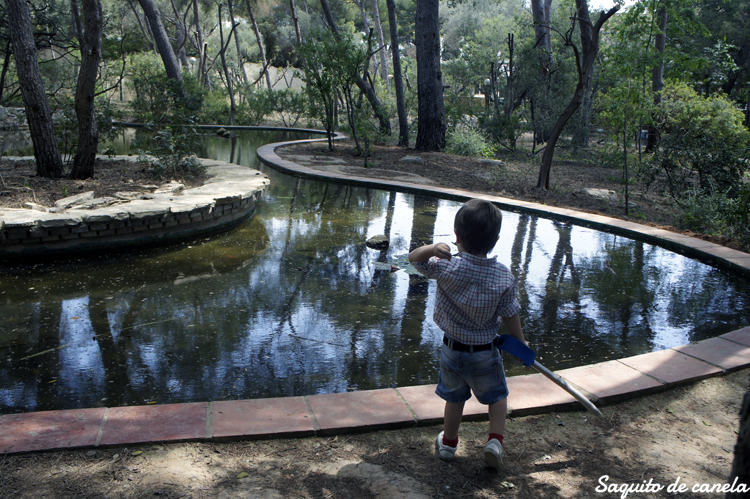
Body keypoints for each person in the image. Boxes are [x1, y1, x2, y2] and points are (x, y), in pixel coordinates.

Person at [408, 198, 527, 470]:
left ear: (457, 235)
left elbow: (414, 258)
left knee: (454, 398)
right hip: (485, 352)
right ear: (496, 239)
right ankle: (495, 441)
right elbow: (510, 315)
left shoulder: (445, 266)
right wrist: (520, 343)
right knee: (497, 396)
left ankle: (449, 444)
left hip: (452, 350)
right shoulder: (503, 277)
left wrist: (432, 248)